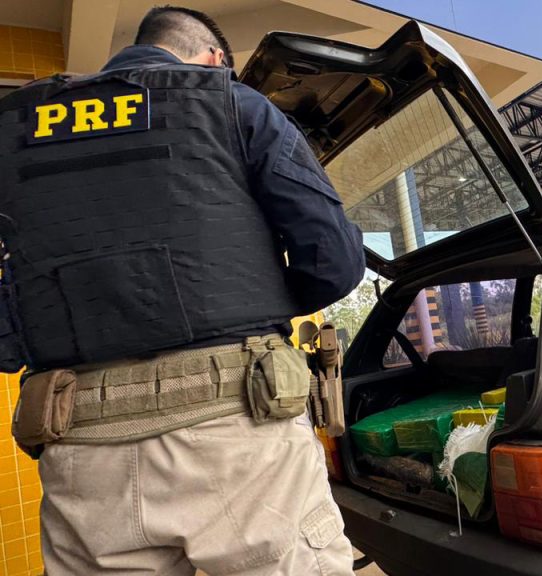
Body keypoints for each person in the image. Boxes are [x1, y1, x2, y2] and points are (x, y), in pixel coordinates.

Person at [0, 6, 363, 575]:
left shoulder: (11, 127)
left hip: (80, 442)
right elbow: (334, 261)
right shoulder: (231, 102)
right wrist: (249, 301)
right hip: (238, 429)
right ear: (214, 59)